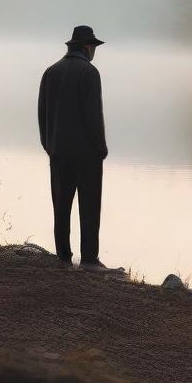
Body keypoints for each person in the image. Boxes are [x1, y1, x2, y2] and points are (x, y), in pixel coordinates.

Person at [37, 25, 122, 272]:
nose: (94, 51)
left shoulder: (50, 72)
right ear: (87, 47)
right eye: (93, 47)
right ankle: (89, 260)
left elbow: (42, 114)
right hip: (87, 154)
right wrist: (101, 147)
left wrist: (48, 145)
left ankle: (63, 258)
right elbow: (93, 115)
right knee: (89, 206)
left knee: (61, 206)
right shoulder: (89, 72)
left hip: (59, 152)